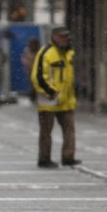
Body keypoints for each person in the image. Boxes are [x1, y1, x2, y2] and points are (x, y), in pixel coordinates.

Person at [30, 26, 81, 168]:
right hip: (49, 101)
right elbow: (38, 77)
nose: (65, 39)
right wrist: (51, 92)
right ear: (53, 37)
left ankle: (68, 157)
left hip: (66, 101)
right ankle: (44, 158)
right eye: (61, 36)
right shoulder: (46, 53)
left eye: (66, 36)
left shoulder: (69, 53)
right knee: (46, 131)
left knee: (69, 130)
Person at [21, 37, 41, 104]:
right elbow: (23, 59)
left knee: (37, 84)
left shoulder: (39, 50)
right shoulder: (27, 50)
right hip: (30, 69)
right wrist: (27, 63)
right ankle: (33, 97)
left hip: (38, 70)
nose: (32, 45)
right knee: (32, 84)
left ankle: (35, 97)